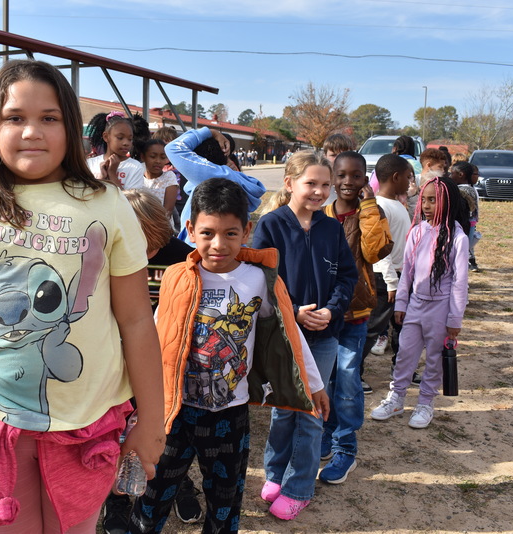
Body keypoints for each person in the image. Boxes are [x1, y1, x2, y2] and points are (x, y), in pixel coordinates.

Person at [0, 59, 165, 533]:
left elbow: (136, 322)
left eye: (49, 118)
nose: (32, 131)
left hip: (88, 418)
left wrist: (152, 421)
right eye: (14, 117)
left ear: (70, 126)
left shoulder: (106, 205)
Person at [128, 178, 327, 532]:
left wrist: (314, 385)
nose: (218, 245)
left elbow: (288, 334)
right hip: (173, 412)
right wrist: (137, 404)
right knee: (154, 493)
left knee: (224, 500)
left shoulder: (259, 281)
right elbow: (155, 338)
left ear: (246, 230)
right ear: (190, 229)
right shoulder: (176, 277)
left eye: (230, 234)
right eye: (206, 233)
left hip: (229, 415)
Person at [253, 151, 356, 517]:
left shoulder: (330, 227)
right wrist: (293, 312)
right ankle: (276, 472)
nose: (319, 192)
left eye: (325, 185)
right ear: (290, 183)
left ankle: (300, 487)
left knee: (312, 411)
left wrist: (332, 308)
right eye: (311, 183)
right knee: (284, 408)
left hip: (324, 335)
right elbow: (260, 280)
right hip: (284, 333)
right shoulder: (270, 227)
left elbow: (347, 275)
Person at [101, 190, 202, 533]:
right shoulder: (100, 257)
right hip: (112, 367)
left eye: (151, 245)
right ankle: (114, 502)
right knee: (113, 433)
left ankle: (178, 484)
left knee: (166, 431)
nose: (144, 254)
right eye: (134, 245)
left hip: (165, 367)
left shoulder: (185, 258)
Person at [370, 175, 469, 429]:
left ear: (446, 202)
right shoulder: (416, 232)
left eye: (433, 201)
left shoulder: (458, 237)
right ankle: (397, 397)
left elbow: (459, 282)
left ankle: (425, 403)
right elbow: (408, 273)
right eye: (424, 200)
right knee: (405, 354)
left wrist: (454, 319)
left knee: (435, 359)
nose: (426, 205)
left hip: (441, 308)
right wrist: (401, 304)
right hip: (415, 305)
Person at [321, 151, 392, 482]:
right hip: (323, 314)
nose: (348, 181)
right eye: (342, 175)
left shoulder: (371, 213)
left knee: (348, 378)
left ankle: (345, 449)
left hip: (355, 312)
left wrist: (368, 208)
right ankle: (328, 431)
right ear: (332, 178)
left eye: (356, 175)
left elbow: (374, 251)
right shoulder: (320, 214)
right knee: (328, 379)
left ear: (366, 180)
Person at [164, 126, 265, 244]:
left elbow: (173, 148)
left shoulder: (211, 176)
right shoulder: (225, 176)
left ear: (198, 159)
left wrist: (211, 132)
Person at [363, 154, 413, 389]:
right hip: (385, 279)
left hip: (401, 276)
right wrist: (391, 281)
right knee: (373, 327)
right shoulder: (381, 207)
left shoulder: (396, 204)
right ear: (395, 177)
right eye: (407, 177)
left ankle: (402, 371)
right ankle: (355, 373)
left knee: (404, 326)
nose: (410, 182)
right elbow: (378, 249)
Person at [86, 111, 144, 189]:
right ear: (106, 137)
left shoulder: (135, 167)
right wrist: (101, 179)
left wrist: (112, 174)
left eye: (130, 139)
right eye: (120, 138)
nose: (126, 143)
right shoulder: (90, 164)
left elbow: (130, 200)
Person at [451, 161, 482, 272]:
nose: (450, 176)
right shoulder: (471, 189)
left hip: (465, 225)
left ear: (460, 175)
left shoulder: (462, 191)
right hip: (470, 224)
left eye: (452, 173)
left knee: (460, 253)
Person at [139, 139, 178, 217]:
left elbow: (168, 212)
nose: (158, 161)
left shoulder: (169, 177)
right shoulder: (137, 174)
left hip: (160, 226)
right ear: (143, 157)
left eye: (163, 157)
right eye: (153, 156)